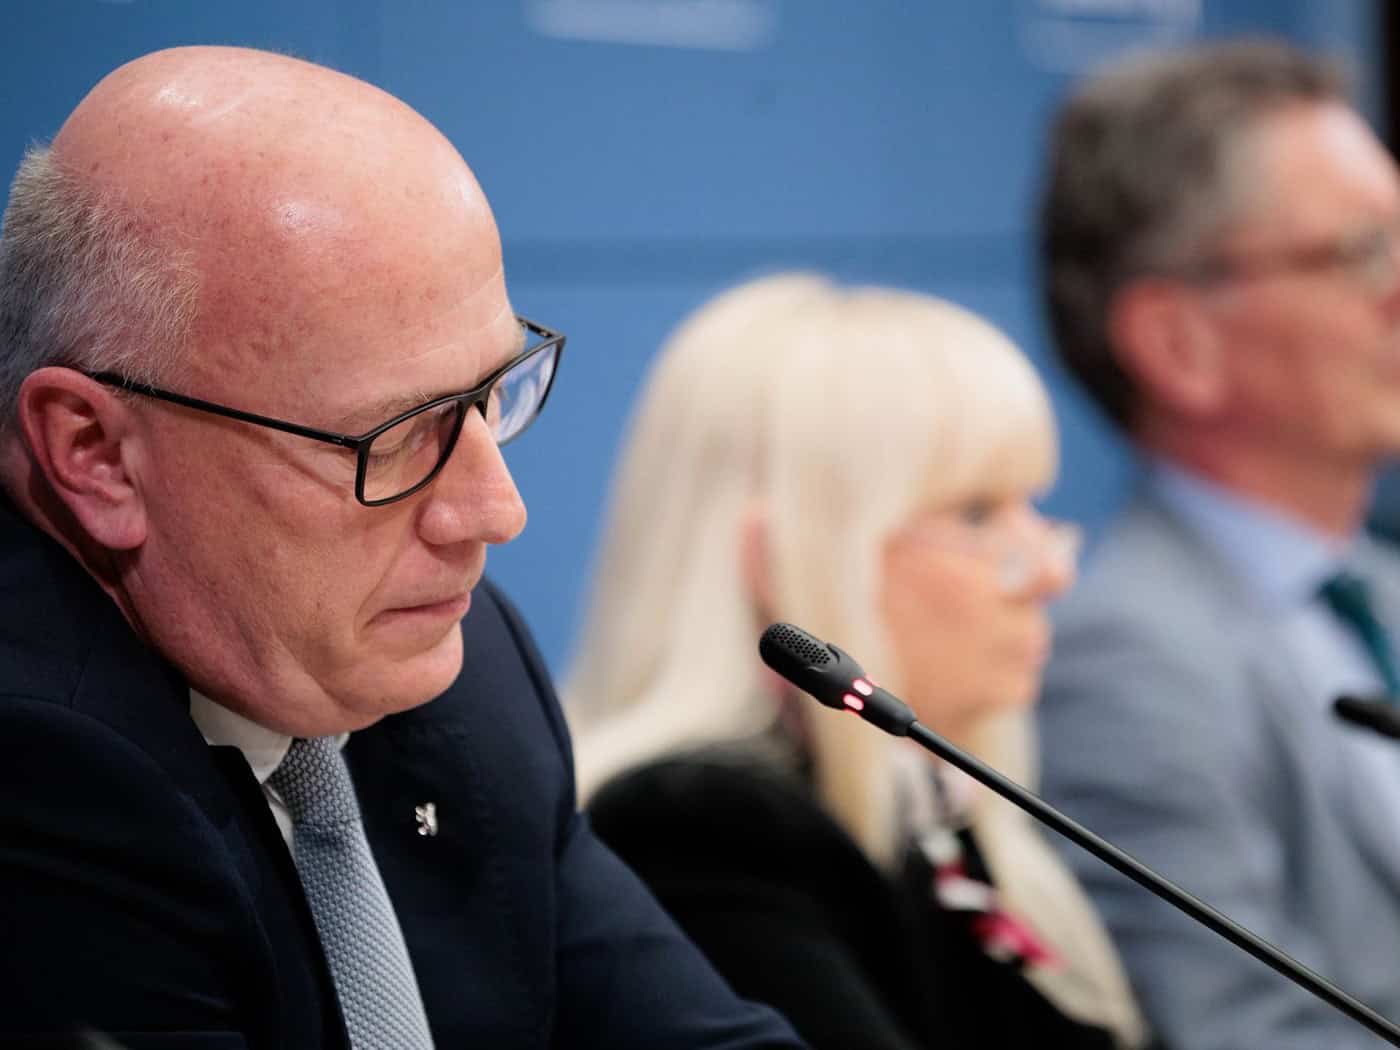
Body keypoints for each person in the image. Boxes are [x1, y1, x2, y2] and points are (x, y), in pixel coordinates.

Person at [0, 46, 805, 1049]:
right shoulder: (39, 771)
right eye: (394, 434)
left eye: (485, 396)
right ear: (96, 453)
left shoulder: (460, 672)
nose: (494, 510)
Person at [566, 272, 1150, 1050]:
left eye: (1031, 508)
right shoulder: (701, 832)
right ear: (785, 563)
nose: (1050, 569)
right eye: (978, 513)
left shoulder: (934, 821)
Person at [1037, 38, 1400, 1049]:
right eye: (1361, 253)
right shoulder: (1119, 663)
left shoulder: (1374, 588)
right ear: (1175, 344)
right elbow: (1244, 1034)